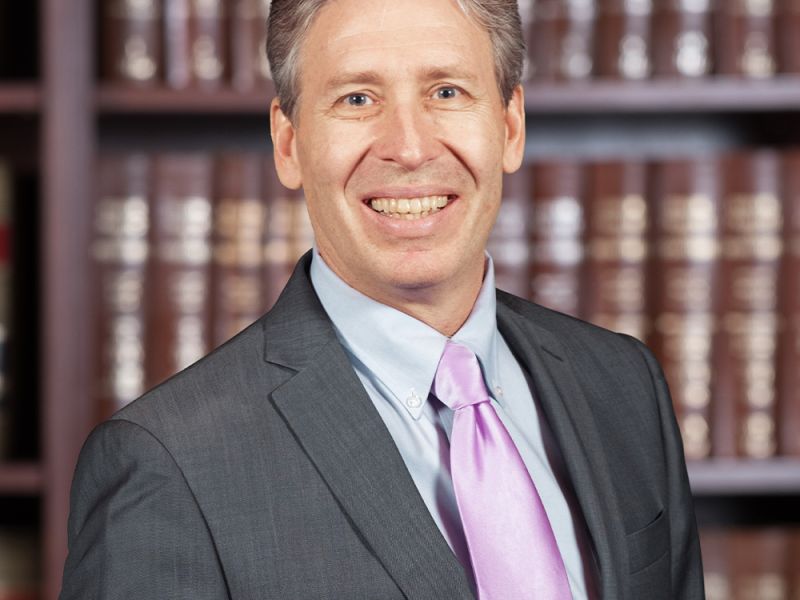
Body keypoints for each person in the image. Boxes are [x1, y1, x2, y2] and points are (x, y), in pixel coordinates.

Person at [60, 0, 704, 598]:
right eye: (358, 97)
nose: (410, 146)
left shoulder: (623, 383)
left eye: (446, 91)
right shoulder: (165, 462)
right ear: (289, 143)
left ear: (509, 126)